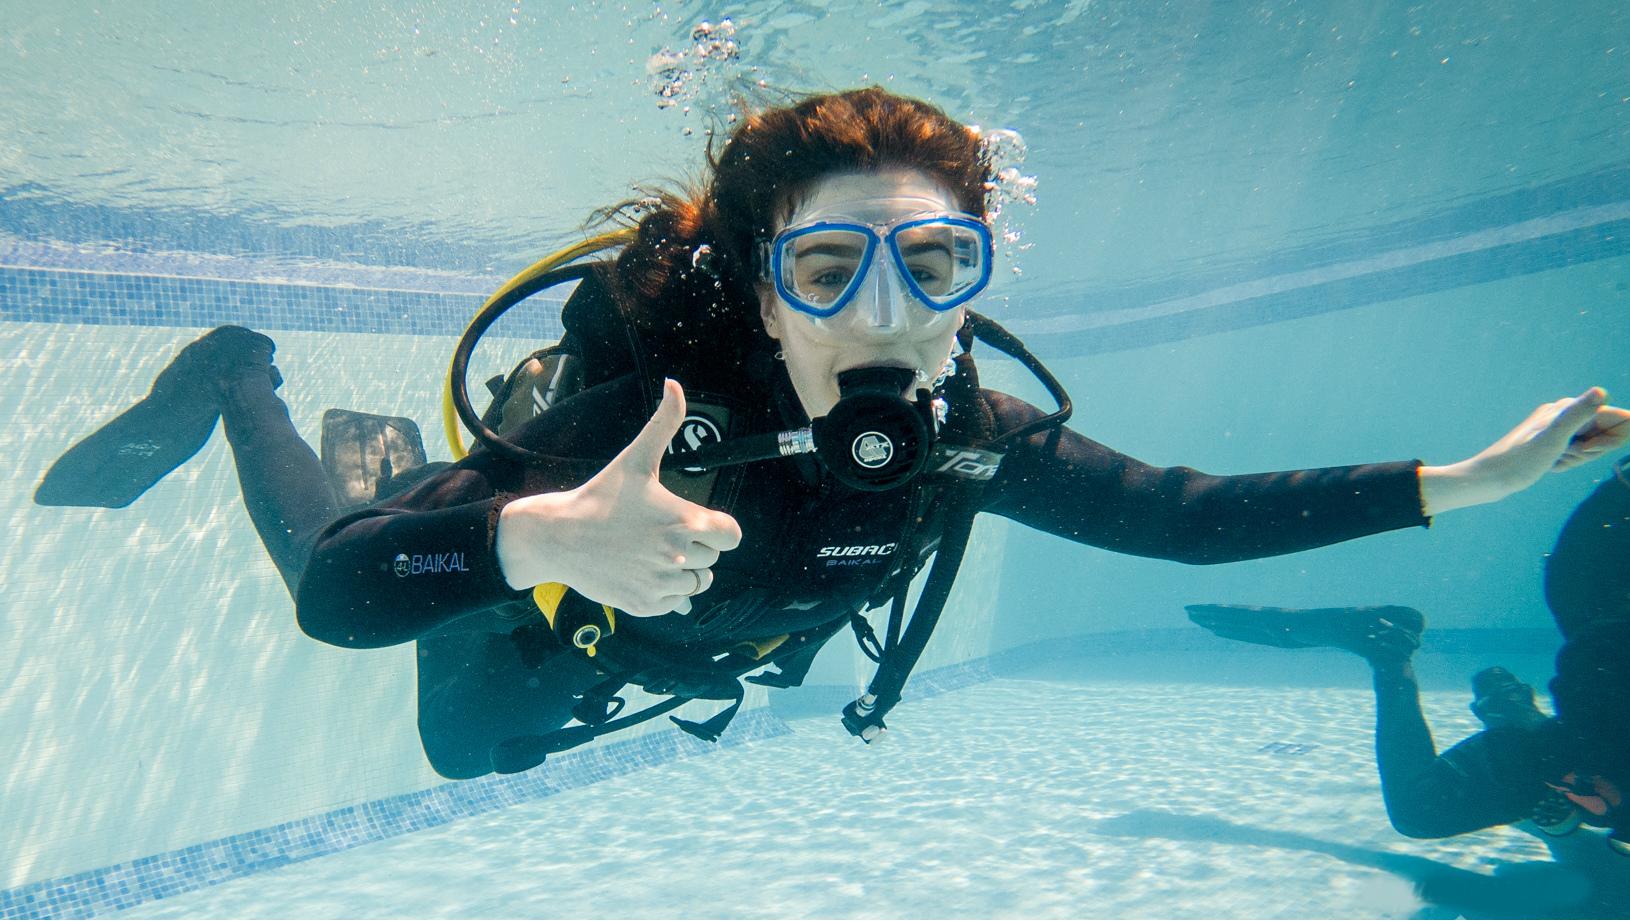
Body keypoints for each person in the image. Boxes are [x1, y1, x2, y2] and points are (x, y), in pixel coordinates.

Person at [35, 88, 1630, 780]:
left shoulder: (967, 434)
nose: (885, 311)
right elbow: (339, 599)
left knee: (475, 737)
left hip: (662, 653)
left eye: (933, 264)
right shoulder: (639, 422)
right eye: (825, 271)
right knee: (422, 677)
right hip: (543, 615)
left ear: (975, 279)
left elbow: (1187, 517)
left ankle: (416, 483)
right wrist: (534, 533)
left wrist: (1466, 481)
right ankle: (238, 378)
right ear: (766, 294)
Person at [1188, 456, 1630, 855]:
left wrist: (1579, 792)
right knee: (1425, 806)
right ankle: (1392, 651)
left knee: (1431, 804)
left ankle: (1468, 687)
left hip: (1593, 612)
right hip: (1597, 606)